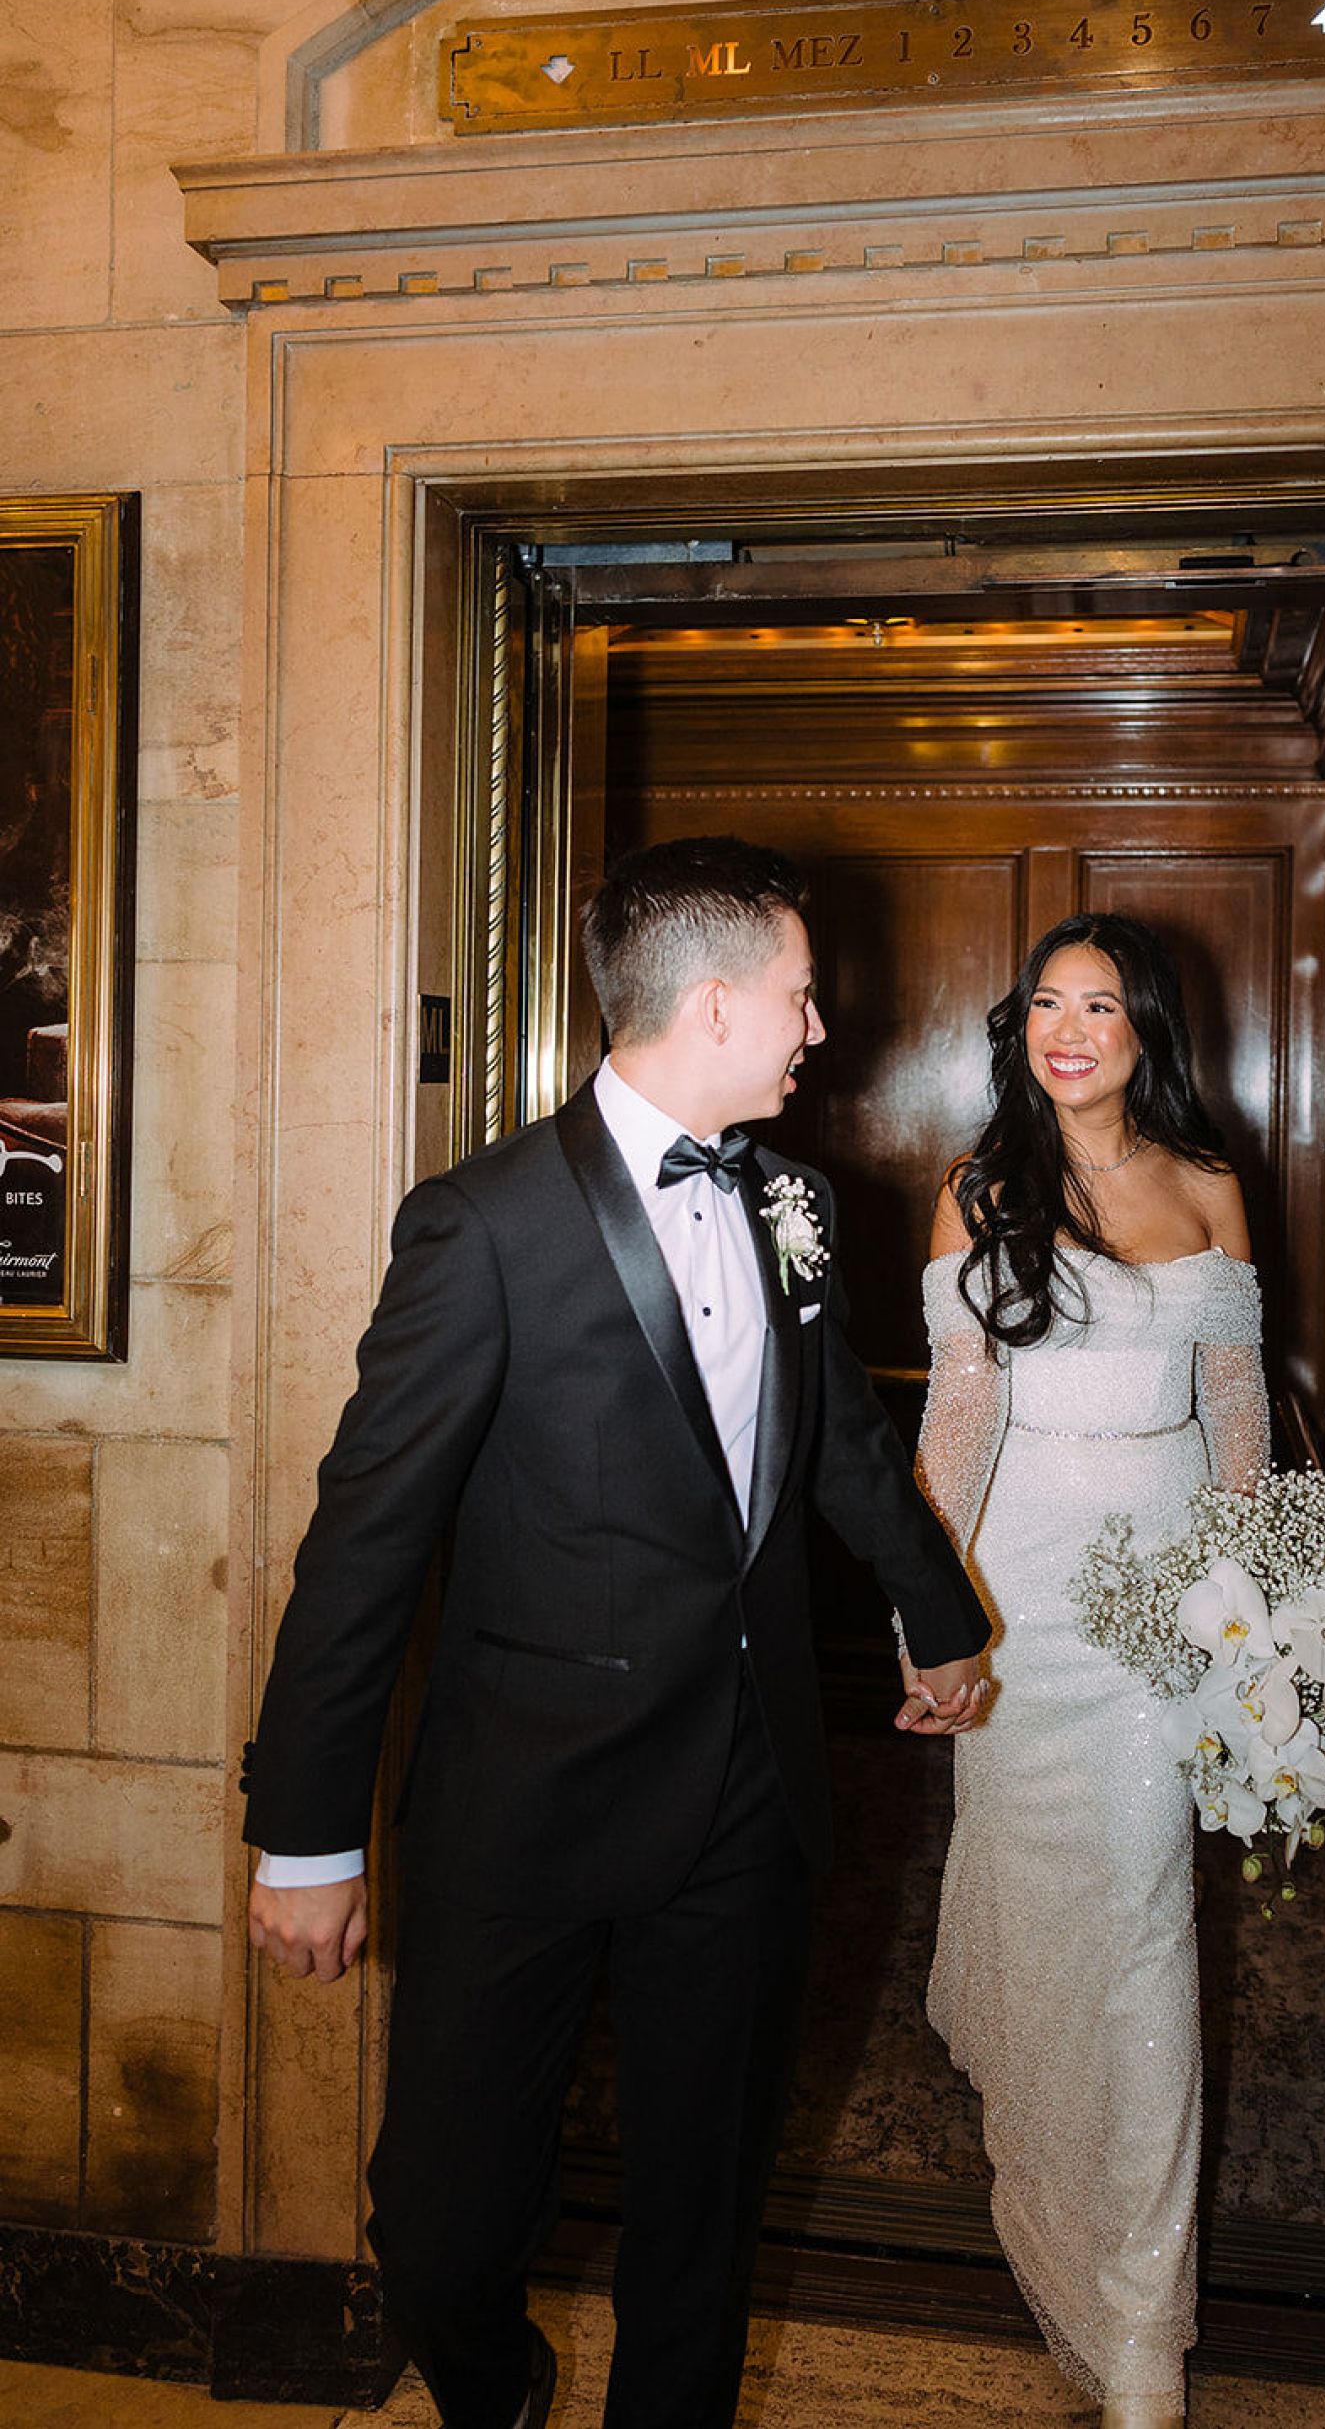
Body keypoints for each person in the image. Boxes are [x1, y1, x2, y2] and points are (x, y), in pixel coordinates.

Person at [243, 836, 991, 2429]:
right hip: (521, 1806)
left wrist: (940, 1621)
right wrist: (306, 1836)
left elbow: (842, 1436)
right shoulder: (482, 1226)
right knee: (439, 2229)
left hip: (743, 1794)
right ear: (713, 1004)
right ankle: (499, 2391)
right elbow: (365, 1540)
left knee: (702, 2221)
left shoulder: (795, 1200)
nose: (815, 1029)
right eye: (797, 1000)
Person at [908, 913, 1270, 2429]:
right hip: (1021, 1593)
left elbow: (1239, 1420)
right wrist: (931, 1623)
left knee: (1137, 1932)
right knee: (1030, 1900)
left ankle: (1135, 2320)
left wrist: (1256, 1626)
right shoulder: (977, 1191)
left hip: (1162, 1604)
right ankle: (1041, 2129)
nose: (1069, 1030)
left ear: (1147, 1032)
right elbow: (958, 1423)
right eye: (1046, 1004)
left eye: (1100, 1006)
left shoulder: (1207, 1190)